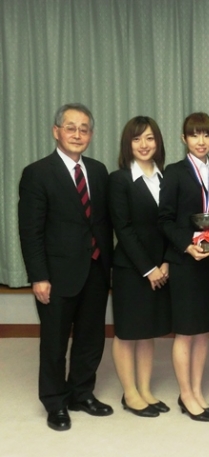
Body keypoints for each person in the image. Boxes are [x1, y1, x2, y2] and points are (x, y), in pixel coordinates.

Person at [18, 103, 114, 431]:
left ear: (91, 134)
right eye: (70, 127)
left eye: (84, 128)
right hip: (56, 276)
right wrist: (39, 276)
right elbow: (30, 231)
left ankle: (81, 393)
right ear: (56, 131)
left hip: (96, 270)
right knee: (55, 342)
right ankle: (55, 402)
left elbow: (103, 222)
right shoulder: (37, 173)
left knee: (91, 339)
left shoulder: (99, 171)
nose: (77, 134)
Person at [158, 112, 209, 422]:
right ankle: (185, 394)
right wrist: (187, 244)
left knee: (204, 332)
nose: (202, 141)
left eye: (207, 135)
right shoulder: (174, 172)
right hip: (185, 262)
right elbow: (165, 219)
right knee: (186, 332)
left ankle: (197, 391)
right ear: (184, 139)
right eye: (195, 135)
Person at [108, 116, 172, 418]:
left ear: (157, 142)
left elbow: (174, 224)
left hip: (162, 268)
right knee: (127, 332)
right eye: (137, 139)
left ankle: (145, 390)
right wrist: (149, 269)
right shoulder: (119, 179)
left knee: (148, 332)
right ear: (127, 144)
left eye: (149, 138)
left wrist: (167, 262)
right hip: (131, 270)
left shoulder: (167, 178)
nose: (144, 145)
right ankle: (130, 393)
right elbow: (124, 228)